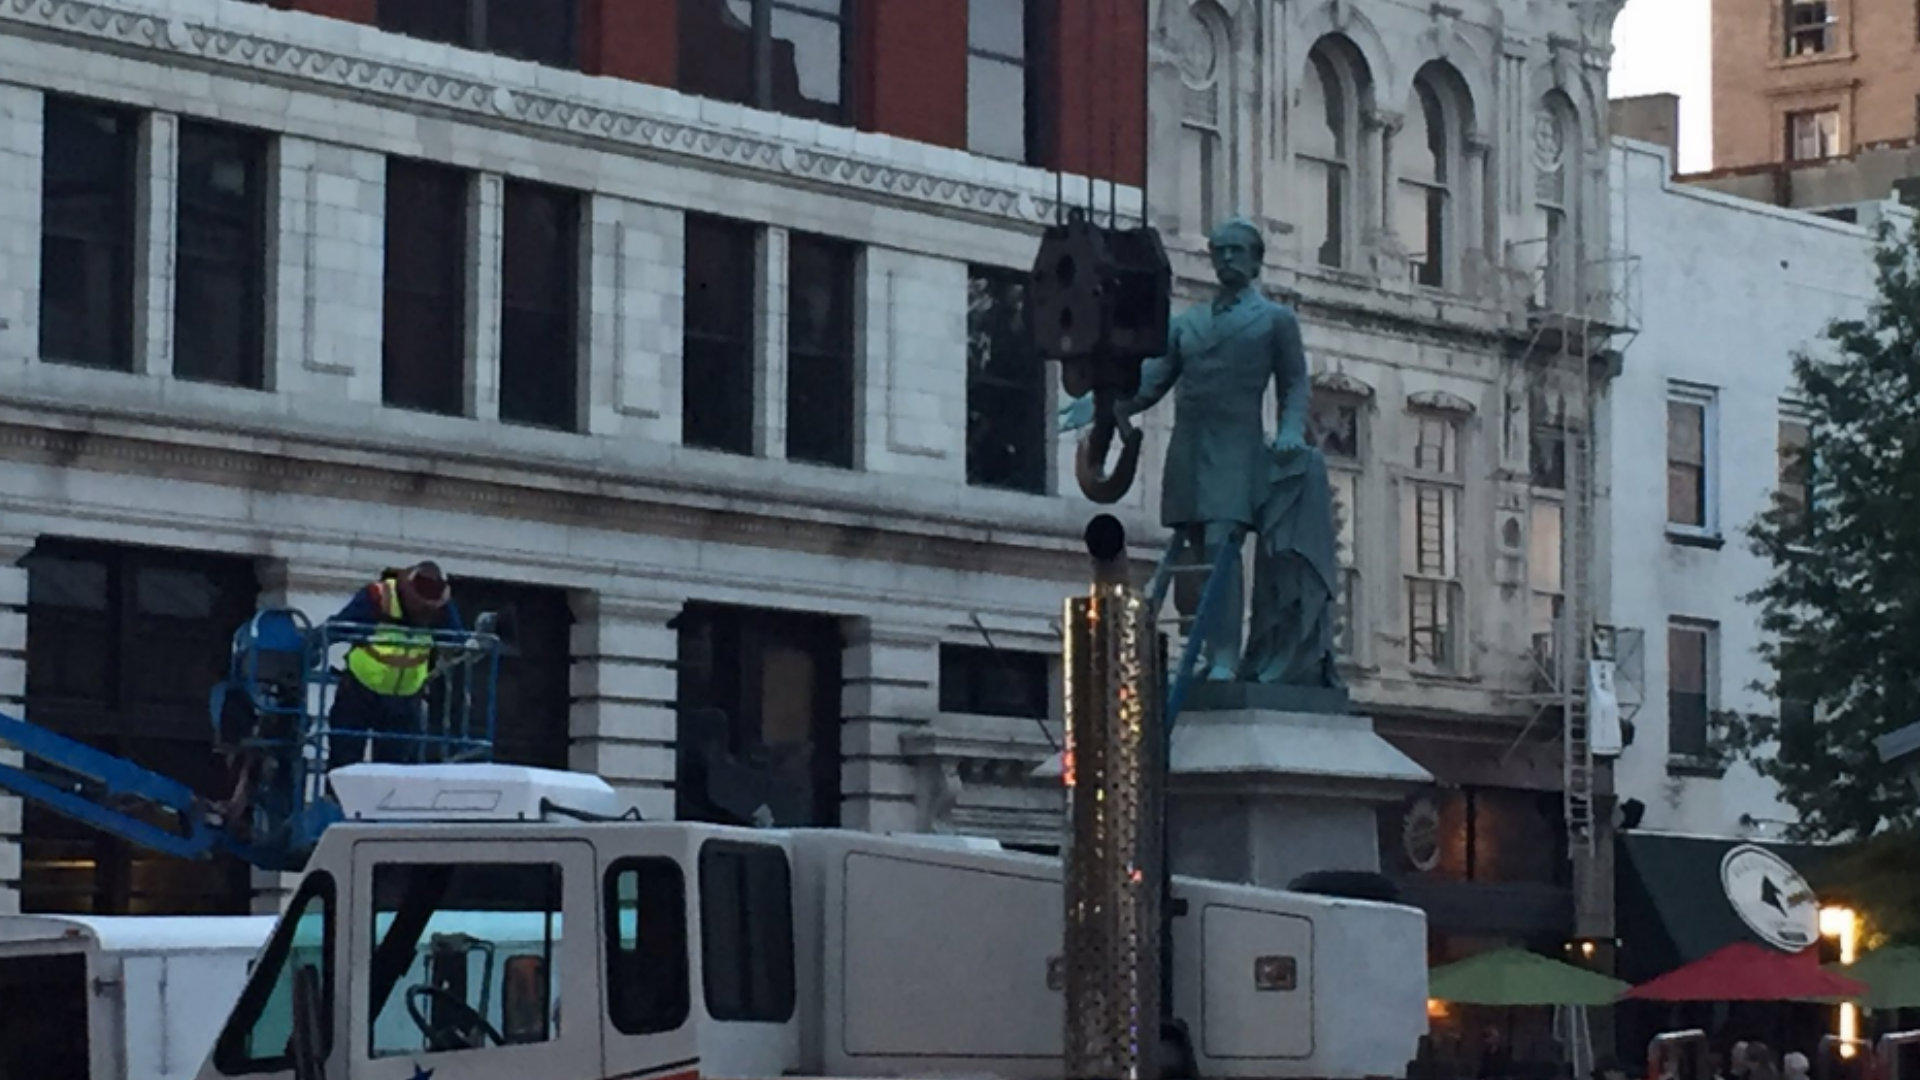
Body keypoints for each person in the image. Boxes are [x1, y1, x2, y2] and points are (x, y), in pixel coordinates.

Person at [326, 561, 464, 767]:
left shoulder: (441, 607)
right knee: (345, 759)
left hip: (405, 698)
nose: (425, 610)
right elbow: (339, 627)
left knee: (394, 768)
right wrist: (315, 644)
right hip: (361, 690)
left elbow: (457, 640)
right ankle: (336, 797)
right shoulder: (378, 596)